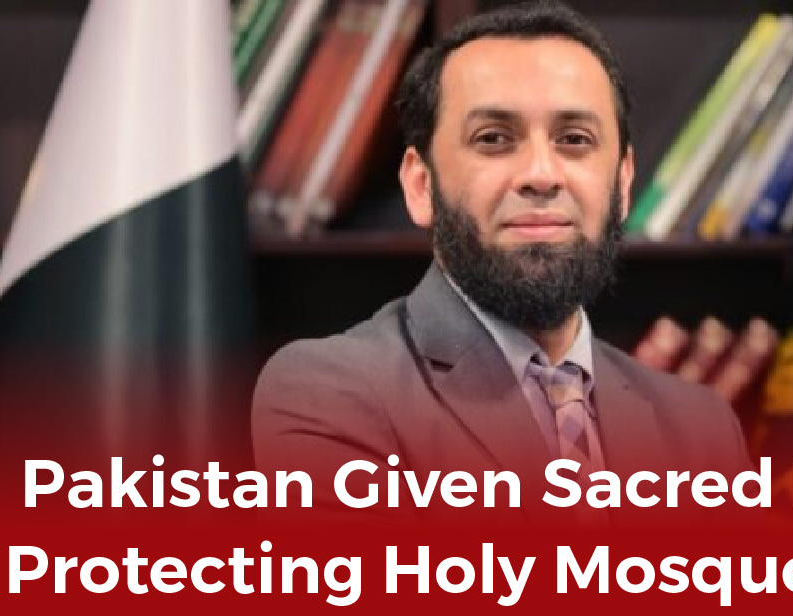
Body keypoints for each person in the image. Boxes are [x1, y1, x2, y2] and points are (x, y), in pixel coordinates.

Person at [252, 0, 753, 524]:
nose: (541, 173)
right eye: (494, 139)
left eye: (575, 140)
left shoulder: (703, 426)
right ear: (421, 186)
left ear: (622, 184)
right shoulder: (326, 394)